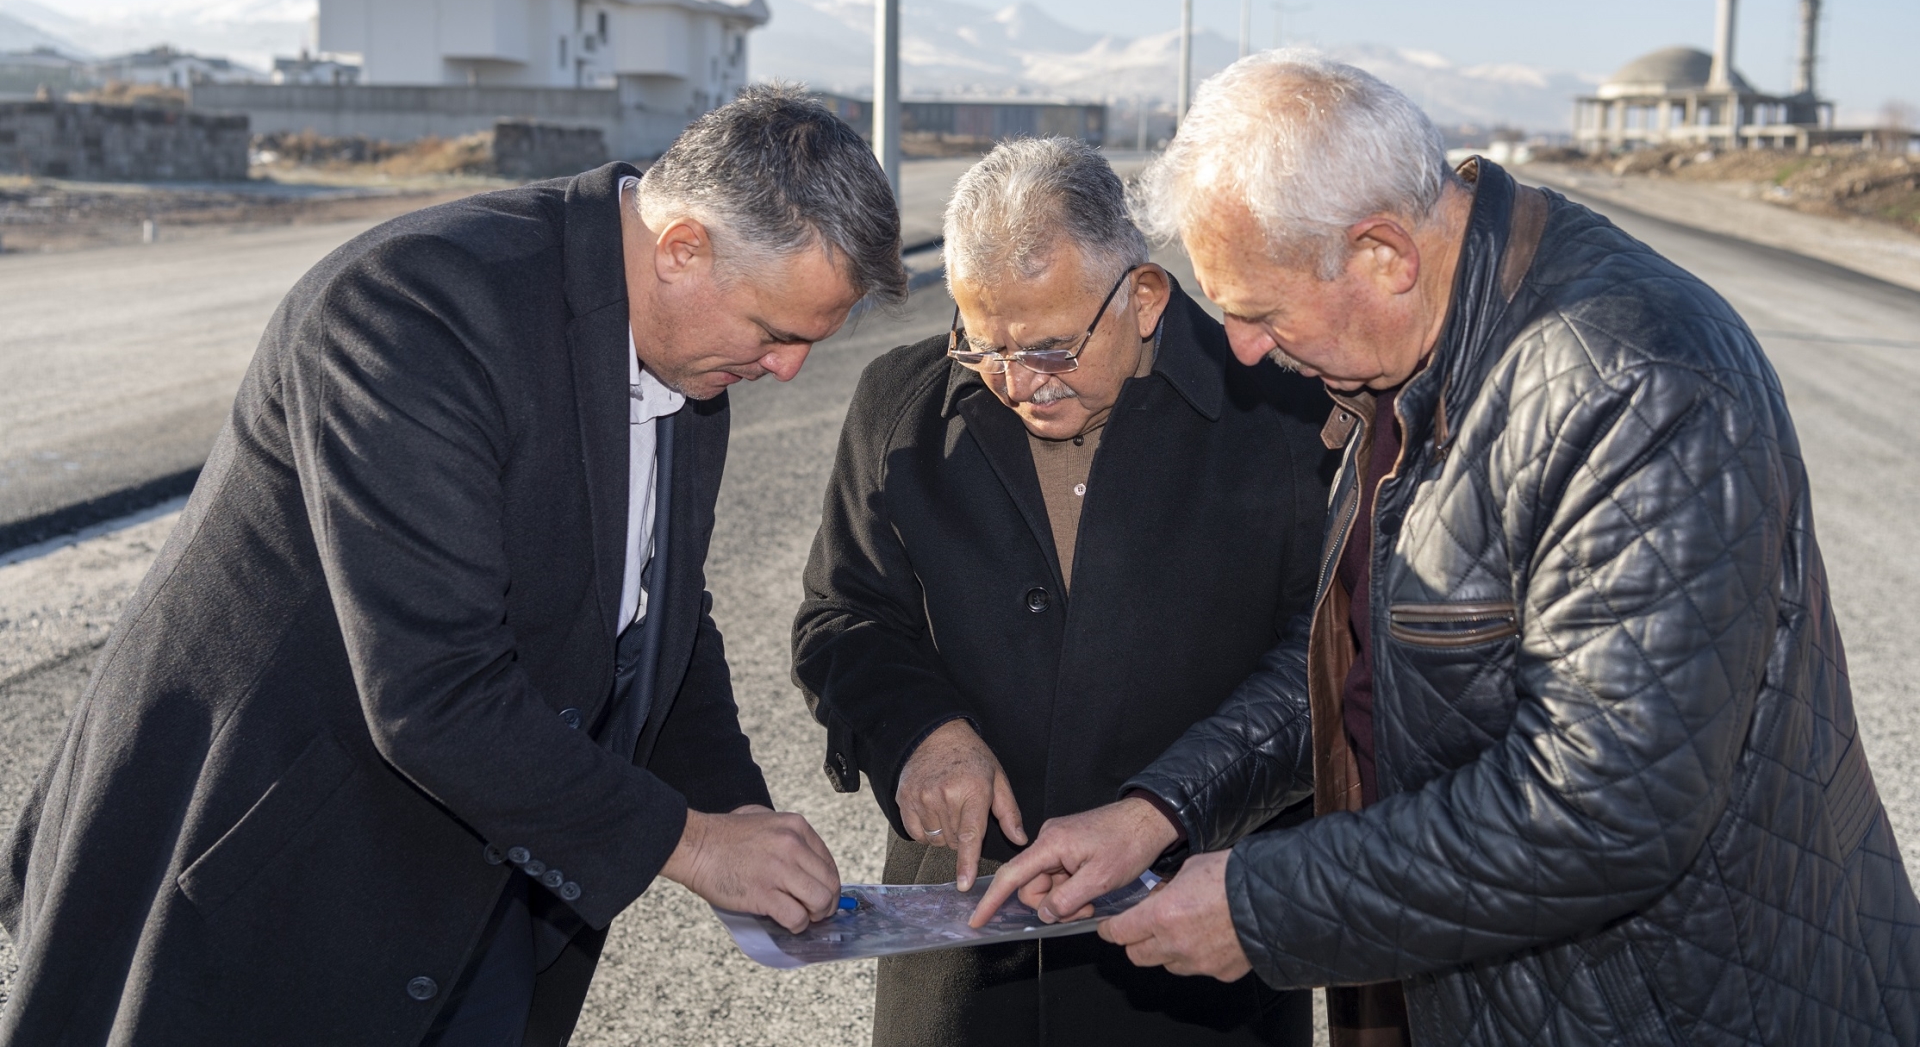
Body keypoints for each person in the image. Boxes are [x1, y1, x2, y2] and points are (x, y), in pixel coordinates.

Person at [982, 52, 1920, 1045]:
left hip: (1677, 1002)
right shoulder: (1409, 368)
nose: (1246, 349)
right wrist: (1160, 810)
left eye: (1258, 311)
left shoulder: (1630, 378)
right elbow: (1367, 664)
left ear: (1384, 253)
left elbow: (1605, 805)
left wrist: (1263, 903)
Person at [0, 87, 906, 1046]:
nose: (790, 370)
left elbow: (659, 606)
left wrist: (737, 813)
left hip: (483, 886)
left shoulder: (686, 352)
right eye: (778, 333)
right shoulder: (416, 307)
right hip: (268, 882)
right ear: (682, 248)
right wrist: (693, 843)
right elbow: (432, 691)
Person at [791, 137, 1330, 1046]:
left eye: (1049, 347)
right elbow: (844, 617)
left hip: (1196, 936)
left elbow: (1327, 659)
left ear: (1145, 298)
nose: (1016, 383)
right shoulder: (903, 400)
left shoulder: (1284, 413)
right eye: (983, 343)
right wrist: (918, 733)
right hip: (964, 941)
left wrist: (1169, 812)